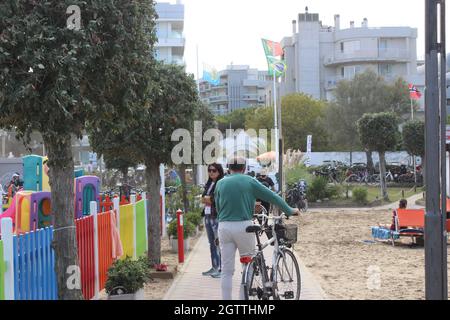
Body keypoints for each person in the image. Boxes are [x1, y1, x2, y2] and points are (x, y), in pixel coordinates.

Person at [214, 156, 300, 300]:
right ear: (245, 168)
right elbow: (273, 197)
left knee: (227, 271)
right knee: (247, 266)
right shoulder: (249, 181)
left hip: (224, 227)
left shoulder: (220, 183)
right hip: (244, 226)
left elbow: (217, 207)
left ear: (228, 168)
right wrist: (289, 210)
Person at [201, 163, 225, 278]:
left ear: (219, 172)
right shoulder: (209, 183)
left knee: (217, 243)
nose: (211, 172)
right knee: (211, 244)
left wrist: (208, 199)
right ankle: (214, 266)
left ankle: (220, 269)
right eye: (209, 170)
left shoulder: (221, 184)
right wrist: (207, 199)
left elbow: (215, 199)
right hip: (207, 216)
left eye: (214, 170)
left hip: (216, 217)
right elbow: (203, 198)